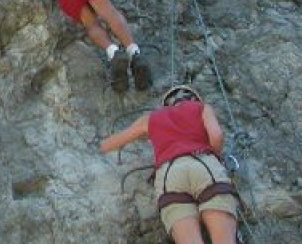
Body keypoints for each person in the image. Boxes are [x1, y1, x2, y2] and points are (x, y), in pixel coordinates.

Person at [100, 85, 239, 244]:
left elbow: (111, 143)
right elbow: (217, 136)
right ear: (194, 99)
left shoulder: (151, 118)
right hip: (204, 166)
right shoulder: (201, 108)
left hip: (170, 174)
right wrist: (216, 156)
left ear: (166, 104)